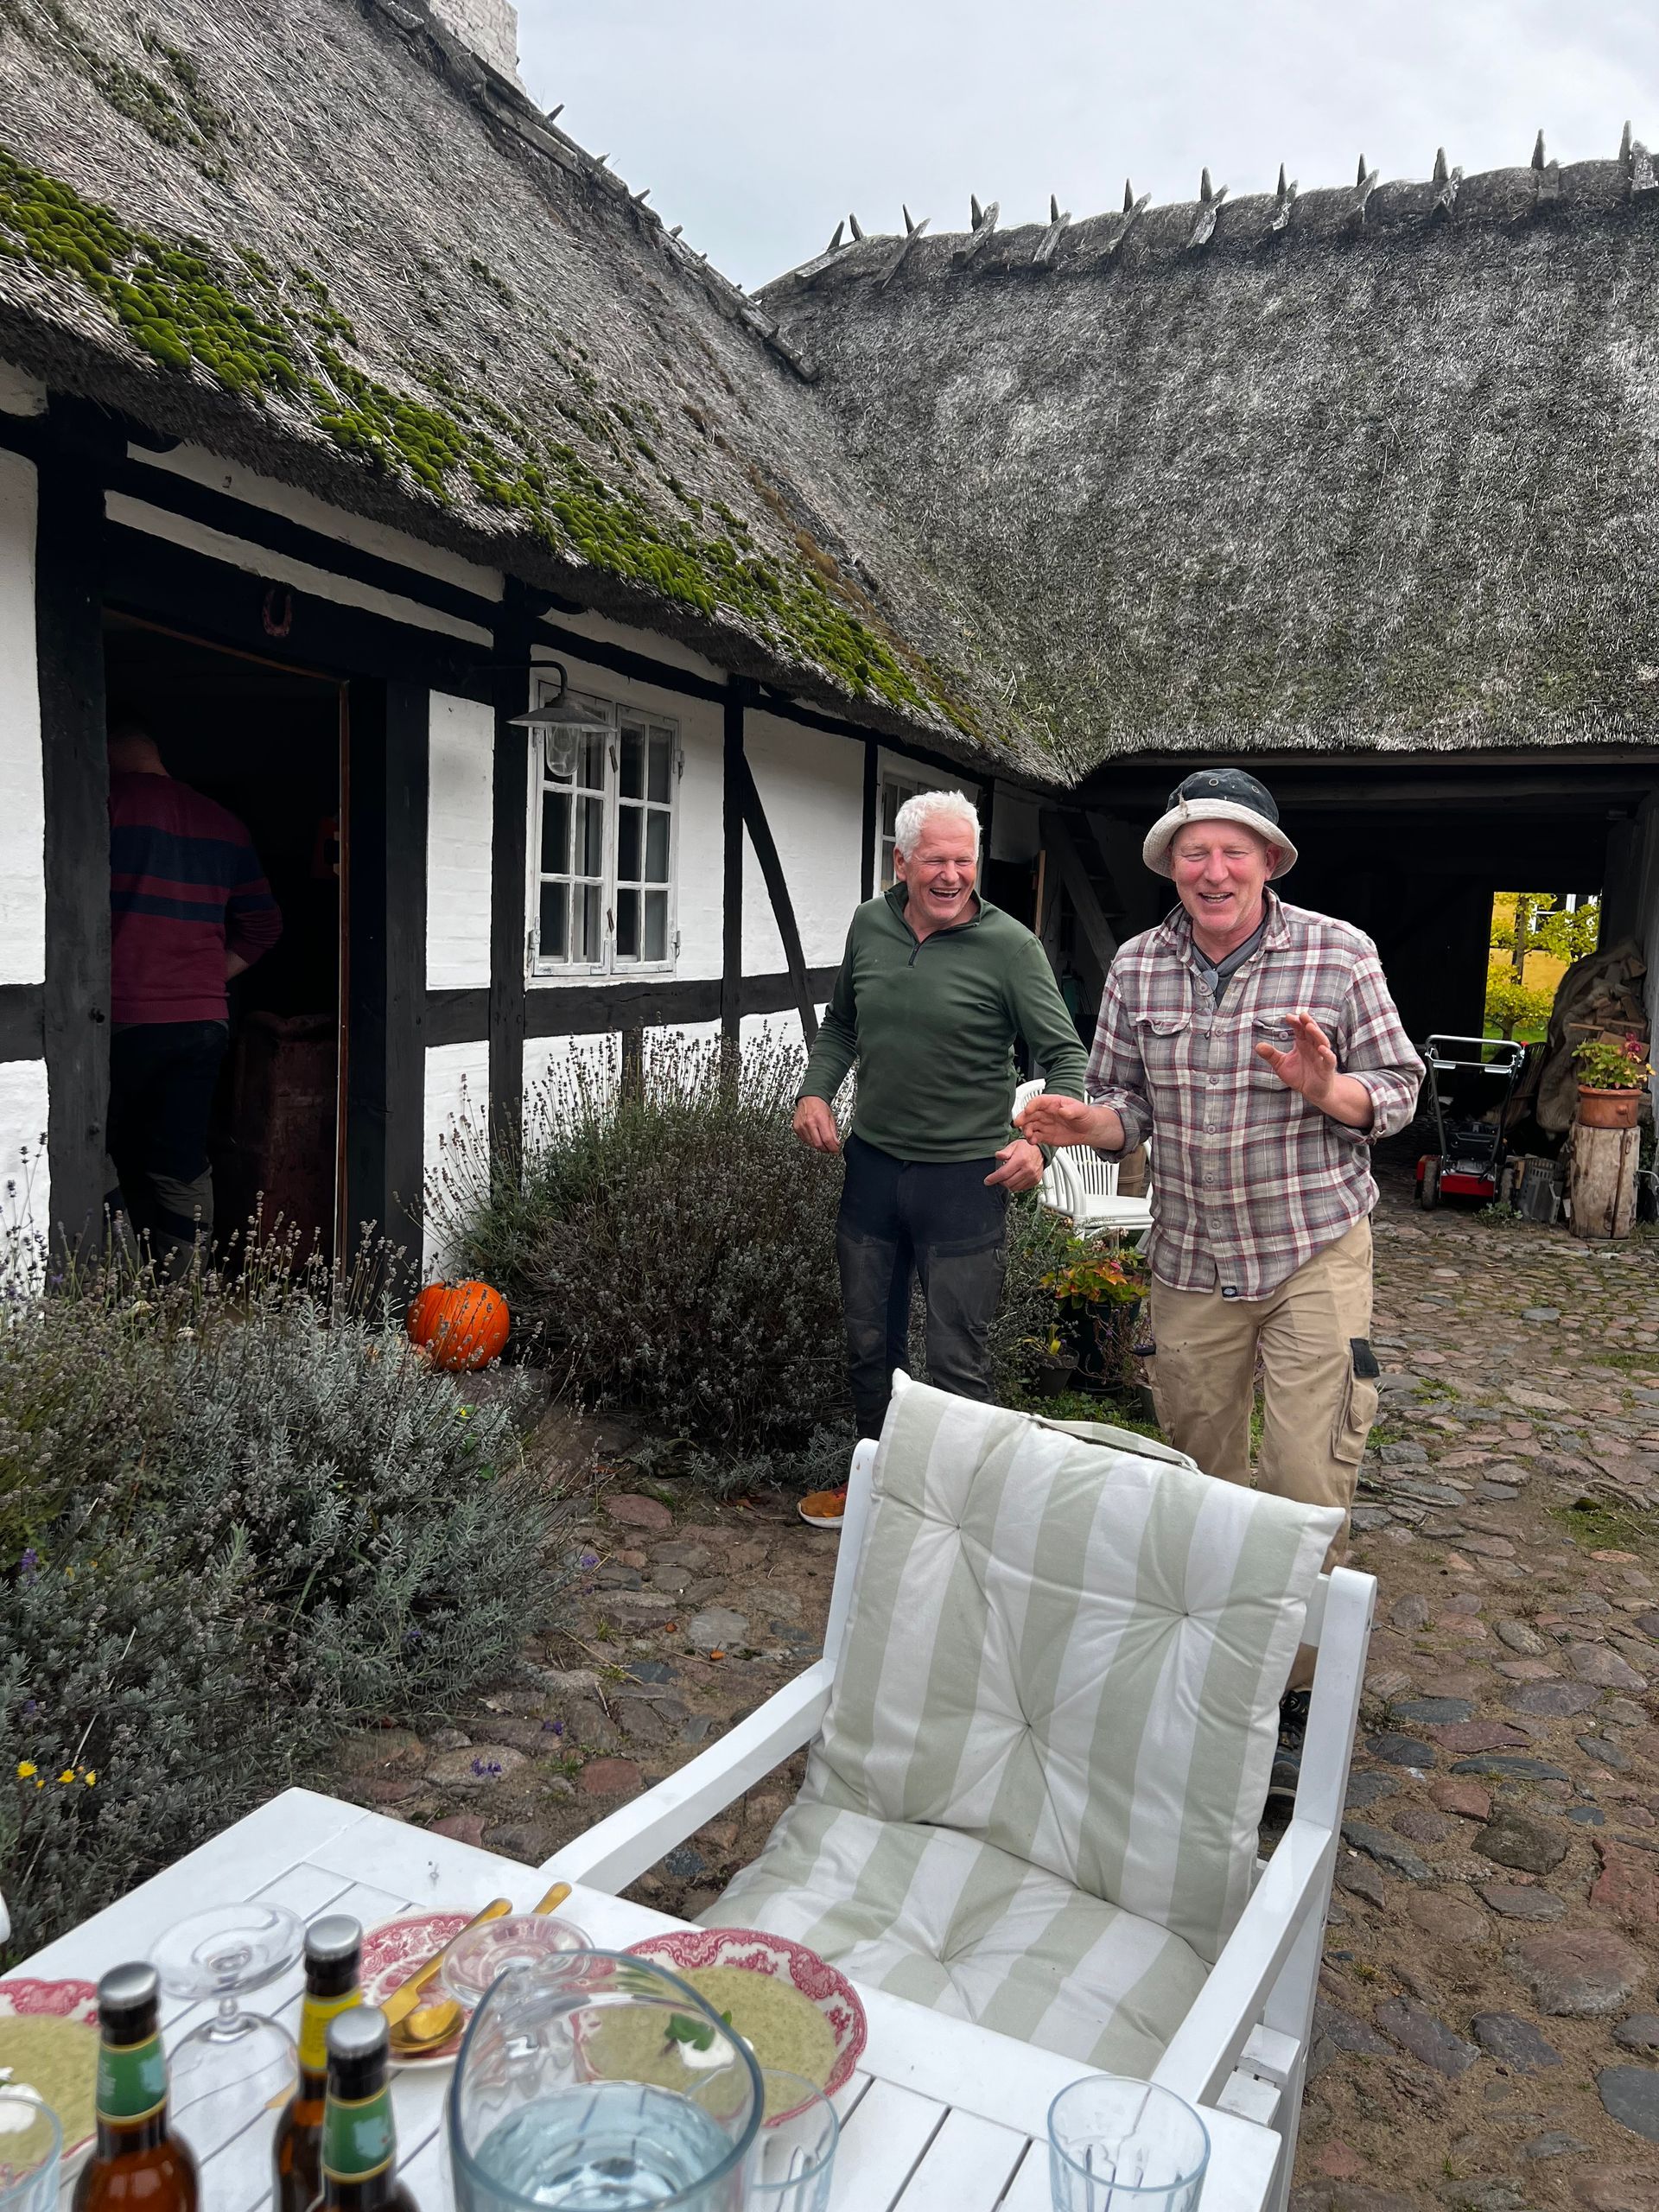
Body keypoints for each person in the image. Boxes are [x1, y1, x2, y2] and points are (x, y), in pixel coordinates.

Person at [1018, 767, 1423, 1793]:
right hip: (1193, 1257)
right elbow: (1123, 1109)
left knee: (1301, 1477)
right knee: (1200, 1475)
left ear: (1269, 862)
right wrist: (1083, 1123)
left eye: (1232, 849)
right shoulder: (1137, 968)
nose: (1212, 868)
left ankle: (1287, 1697)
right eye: (1193, 850)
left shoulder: (1340, 952)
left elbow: (1401, 1089)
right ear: (1172, 865)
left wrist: (1327, 1086)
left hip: (1311, 1252)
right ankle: (1209, 1658)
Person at [792, 787, 1090, 1526]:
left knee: (958, 1357)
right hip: (873, 1168)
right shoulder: (870, 924)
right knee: (869, 1342)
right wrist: (814, 1092)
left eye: (965, 859)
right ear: (902, 861)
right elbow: (840, 1026)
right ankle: (875, 1492)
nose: (954, 874)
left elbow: (1065, 1058)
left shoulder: (1010, 947)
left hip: (966, 1178)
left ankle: (959, 1512)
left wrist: (1036, 1142)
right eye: (936, 860)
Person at [105, 712, 283, 1266]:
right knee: (181, 1155)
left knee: (97, 1147)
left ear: (107, 757)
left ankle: (119, 1292)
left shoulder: (105, 806)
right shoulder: (224, 823)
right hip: (205, 1022)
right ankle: (184, 1296)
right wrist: (206, 980)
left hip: (124, 1016)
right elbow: (264, 928)